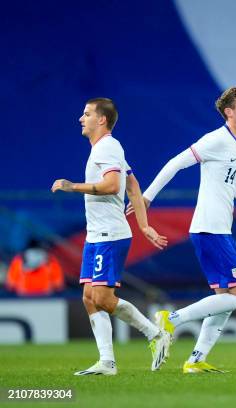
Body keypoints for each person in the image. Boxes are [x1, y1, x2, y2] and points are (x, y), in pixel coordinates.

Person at [134, 87, 236, 374]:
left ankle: (196, 360)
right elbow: (175, 163)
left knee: (223, 300)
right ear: (229, 112)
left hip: (219, 229)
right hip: (209, 229)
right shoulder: (215, 140)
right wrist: (147, 197)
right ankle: (170, 319)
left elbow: (233, 181)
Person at [51, 97, 171, 375]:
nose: (81, 118)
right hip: (96, 235)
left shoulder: (106, 147)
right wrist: (144, 226)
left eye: (86, 113)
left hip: (109, 234)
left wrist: (73, 186)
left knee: (103, 298)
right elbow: (132, 184)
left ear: (101, 120)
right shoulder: (107, 148)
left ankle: (155, 334)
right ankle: (107, 362)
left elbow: (111, 185)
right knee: (88, 297)